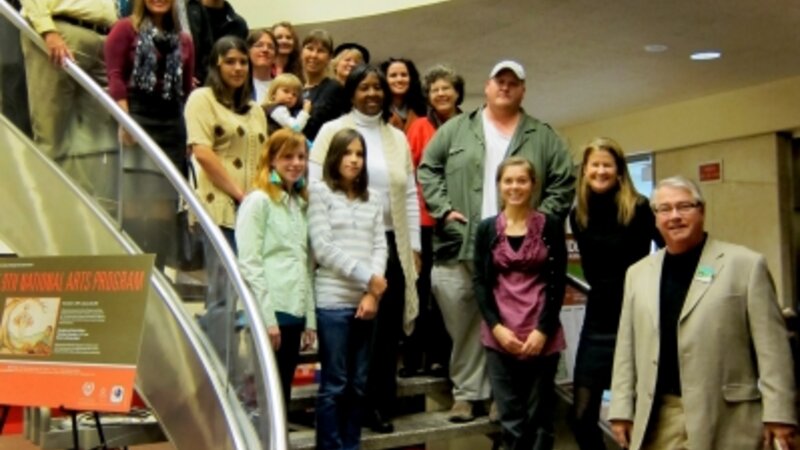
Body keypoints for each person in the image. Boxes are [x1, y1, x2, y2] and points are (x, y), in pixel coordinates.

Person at [418, 60, 574, 422]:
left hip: (515, 251)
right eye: (498, 81)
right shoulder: (456, 129)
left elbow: (563, 182)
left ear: (522, 90)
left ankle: (497, 398)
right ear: (486, 87)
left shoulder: (543, 135)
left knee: (506, 320)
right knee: (463, 319)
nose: (505, 87)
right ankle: (468, 392)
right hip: (459, 242)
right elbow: (428, 168)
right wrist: (442, 210)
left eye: (513, 83)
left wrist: (537, 224)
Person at [609, 176, 797, 450]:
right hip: (660, 417)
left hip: (728, 417)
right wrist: (621, 408)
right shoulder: (637, 274)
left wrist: (779, 412)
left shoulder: (745, 265)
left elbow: (773, 349)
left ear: (702, 211)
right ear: (656, 217)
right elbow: (626, 348)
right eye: (665, 209)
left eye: (684, 206)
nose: (674, 216)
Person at [310, 64, 421, 433]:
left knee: (386, 329)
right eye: (364, 87)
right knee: (355, 333)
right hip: (345, 242)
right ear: (352, 92)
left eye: (378, 87)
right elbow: (315, 181)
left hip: (389, 243)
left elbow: (408, 194)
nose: (372, 93)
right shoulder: (332, 130)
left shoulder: (397, 137)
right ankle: (344, 413)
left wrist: (415, 245)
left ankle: (378, 404)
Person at [567, 137, 660, 450]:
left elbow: (668, 251)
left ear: (619, 171)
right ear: (585, 171)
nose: (601, 171)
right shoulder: (578, 213)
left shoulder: (640, 207)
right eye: (595, 165)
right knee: (580, 416)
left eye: (608, 164)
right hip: (599, 320)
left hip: (637, 314)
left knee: (636, 416)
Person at [474, 156, 566, 450]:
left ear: (533, 185)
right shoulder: (487, 229)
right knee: (511, 418)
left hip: (542, 333)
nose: (515, 186)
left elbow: (557, 283)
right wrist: (497, 328)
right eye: (508, 180)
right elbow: (480, 283)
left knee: (540, 418)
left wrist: (543, 329)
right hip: (499, 335)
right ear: (499, 186)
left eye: (522, 180)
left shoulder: (550, 226)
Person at [184, 36, 267, 359]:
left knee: (248, 292)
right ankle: (218, 369)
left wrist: (271, 193)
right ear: (217, 65)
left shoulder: (256, 109)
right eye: (230, 61)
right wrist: (239, 194)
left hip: (252, 211)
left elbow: (266, 159)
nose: (237, 68)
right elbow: (202, 152)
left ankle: (237, 367)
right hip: (218, 209)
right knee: (222, 293)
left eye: (243, 62)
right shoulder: (201, 98)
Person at [308, 128, 388, 450]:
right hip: (332, 302)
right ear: (335, 156)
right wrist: (368, 278)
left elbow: (380, 247)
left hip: (366, 302)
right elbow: (323, 248)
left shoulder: (374, 199)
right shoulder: (320, 192)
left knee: (358, 384)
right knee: (335, 384)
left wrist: (373, 292)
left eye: (360, 154)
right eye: (348, 153)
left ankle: (350, 446)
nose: (354, 160)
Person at [104, 0, 195, 269]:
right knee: (134, 200)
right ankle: (130, 273)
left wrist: (189, 134)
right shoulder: (124, 29)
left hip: (171, 122)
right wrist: (125, 120)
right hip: (137, 115)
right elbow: (115, 76)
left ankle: (157, 274)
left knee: (163, 205)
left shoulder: (185, 40)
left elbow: (187, 89)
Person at [236, 128, 316, 408]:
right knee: (263, 398)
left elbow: (305, 264)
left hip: (294, 311)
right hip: (270, 312)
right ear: (271, 160)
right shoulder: (258, 200)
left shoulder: (300, 203)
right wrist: (268, 320)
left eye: (301, 157)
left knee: (281, 395)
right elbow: (250, 263)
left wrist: (310, 319)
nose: (296, 163)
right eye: (287, 157)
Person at [401, 64, 465, 378]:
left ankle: (443, 358)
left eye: (446, 88)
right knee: (420, 287)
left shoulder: (471, 125)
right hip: (426, 220)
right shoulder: (420, 127)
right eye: (435, 89)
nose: (441, 94)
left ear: (457, 93)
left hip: (460, 221)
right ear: (428, 95)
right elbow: (408, 173)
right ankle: (414, 359)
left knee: (449, 291)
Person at [19, 0, 118, 199]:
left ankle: (82, 212)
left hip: (103, 36)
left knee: (94, 142)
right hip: (60, 30)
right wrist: (47, 30)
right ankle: (53, 213)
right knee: (52, 133)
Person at [301, 29, 345, 141]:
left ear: (330, 57)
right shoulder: (297, 89)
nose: (314, 55)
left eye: (321, 51)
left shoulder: (333, 88)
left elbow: (312, 128)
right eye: (309, 48)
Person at [381, 57, 426, 133]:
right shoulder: (377, 111)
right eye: (393, 75)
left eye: (404, 75)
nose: (399, 80)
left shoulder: (423, 110)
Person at [246, 29, 276, 104]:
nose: (265, 50)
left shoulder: (283, 86)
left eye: (270, 47)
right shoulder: (239, 86)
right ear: (248, 52)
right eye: (259, 45)